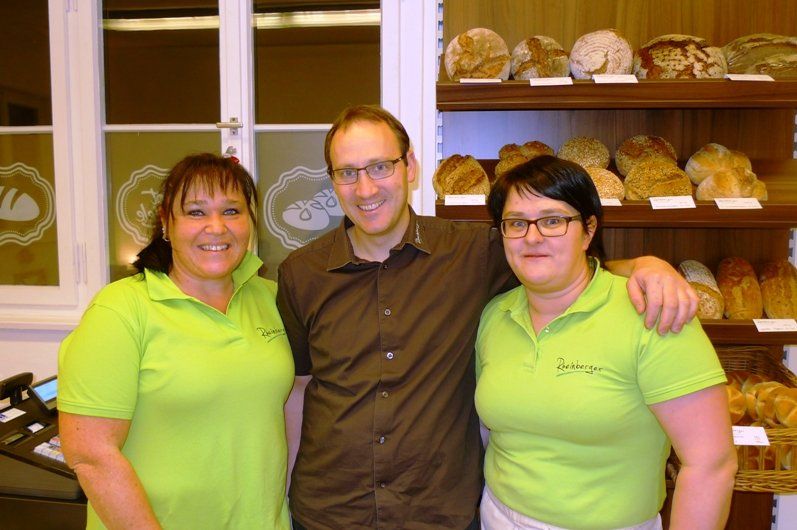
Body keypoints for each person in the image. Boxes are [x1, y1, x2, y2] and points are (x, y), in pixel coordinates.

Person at [277, 104, 699, 530]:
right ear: (332, 180)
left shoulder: (474, 253)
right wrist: (286, 488)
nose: (365, 188)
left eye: (380, 167)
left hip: (436, 512)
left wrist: (644, 266)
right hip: (331, 511)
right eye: (347, 172)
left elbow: (559, 260)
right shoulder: (301, 273)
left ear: (410, 167)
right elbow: (300, 388)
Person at [475, 155, 736, 530]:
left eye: (553, 221)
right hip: (498, 516)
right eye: (516, 223)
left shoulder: (651, 313)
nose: (532, 237)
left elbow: (711, 464)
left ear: (588, 230)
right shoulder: (495, 315)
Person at [58, 153, 293, 530]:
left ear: (250, 221)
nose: (216, 227)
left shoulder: (271, 298)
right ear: (166, 223)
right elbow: (91, 454)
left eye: (231, 211)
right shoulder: (120, 310)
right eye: (196, 212)